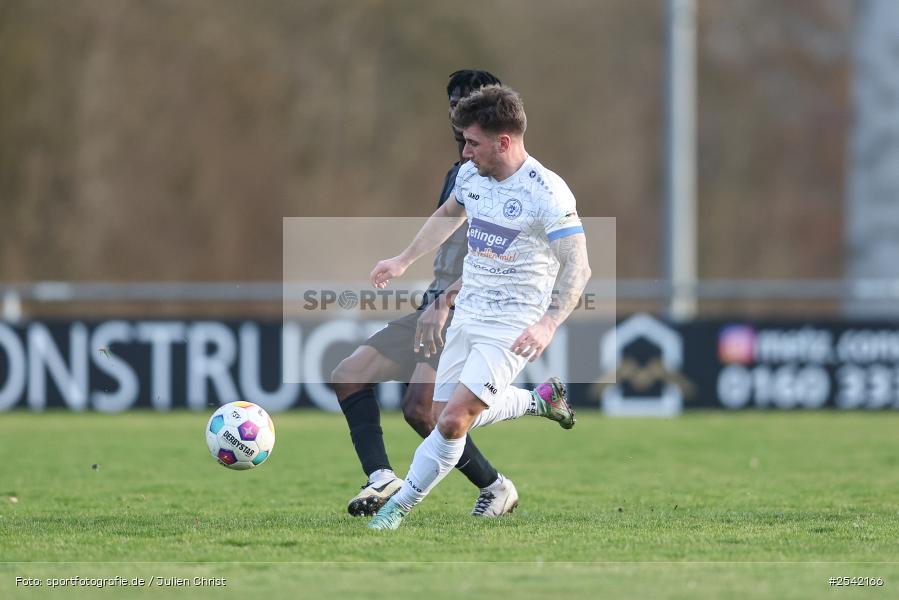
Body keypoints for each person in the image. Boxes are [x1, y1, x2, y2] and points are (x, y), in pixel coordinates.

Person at [330, 71, 574, 519]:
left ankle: (430, 502)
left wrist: (450, 305)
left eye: (464, 106)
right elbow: (448, 220)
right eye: (451, 105)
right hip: (441, 303)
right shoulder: (466, 173)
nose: (456, 127)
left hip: (475, 310)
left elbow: (564, 263)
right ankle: (384, 478)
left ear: (499, 135)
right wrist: (403, 262)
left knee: (430, 413)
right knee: (351, 375)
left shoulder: (538, 190)